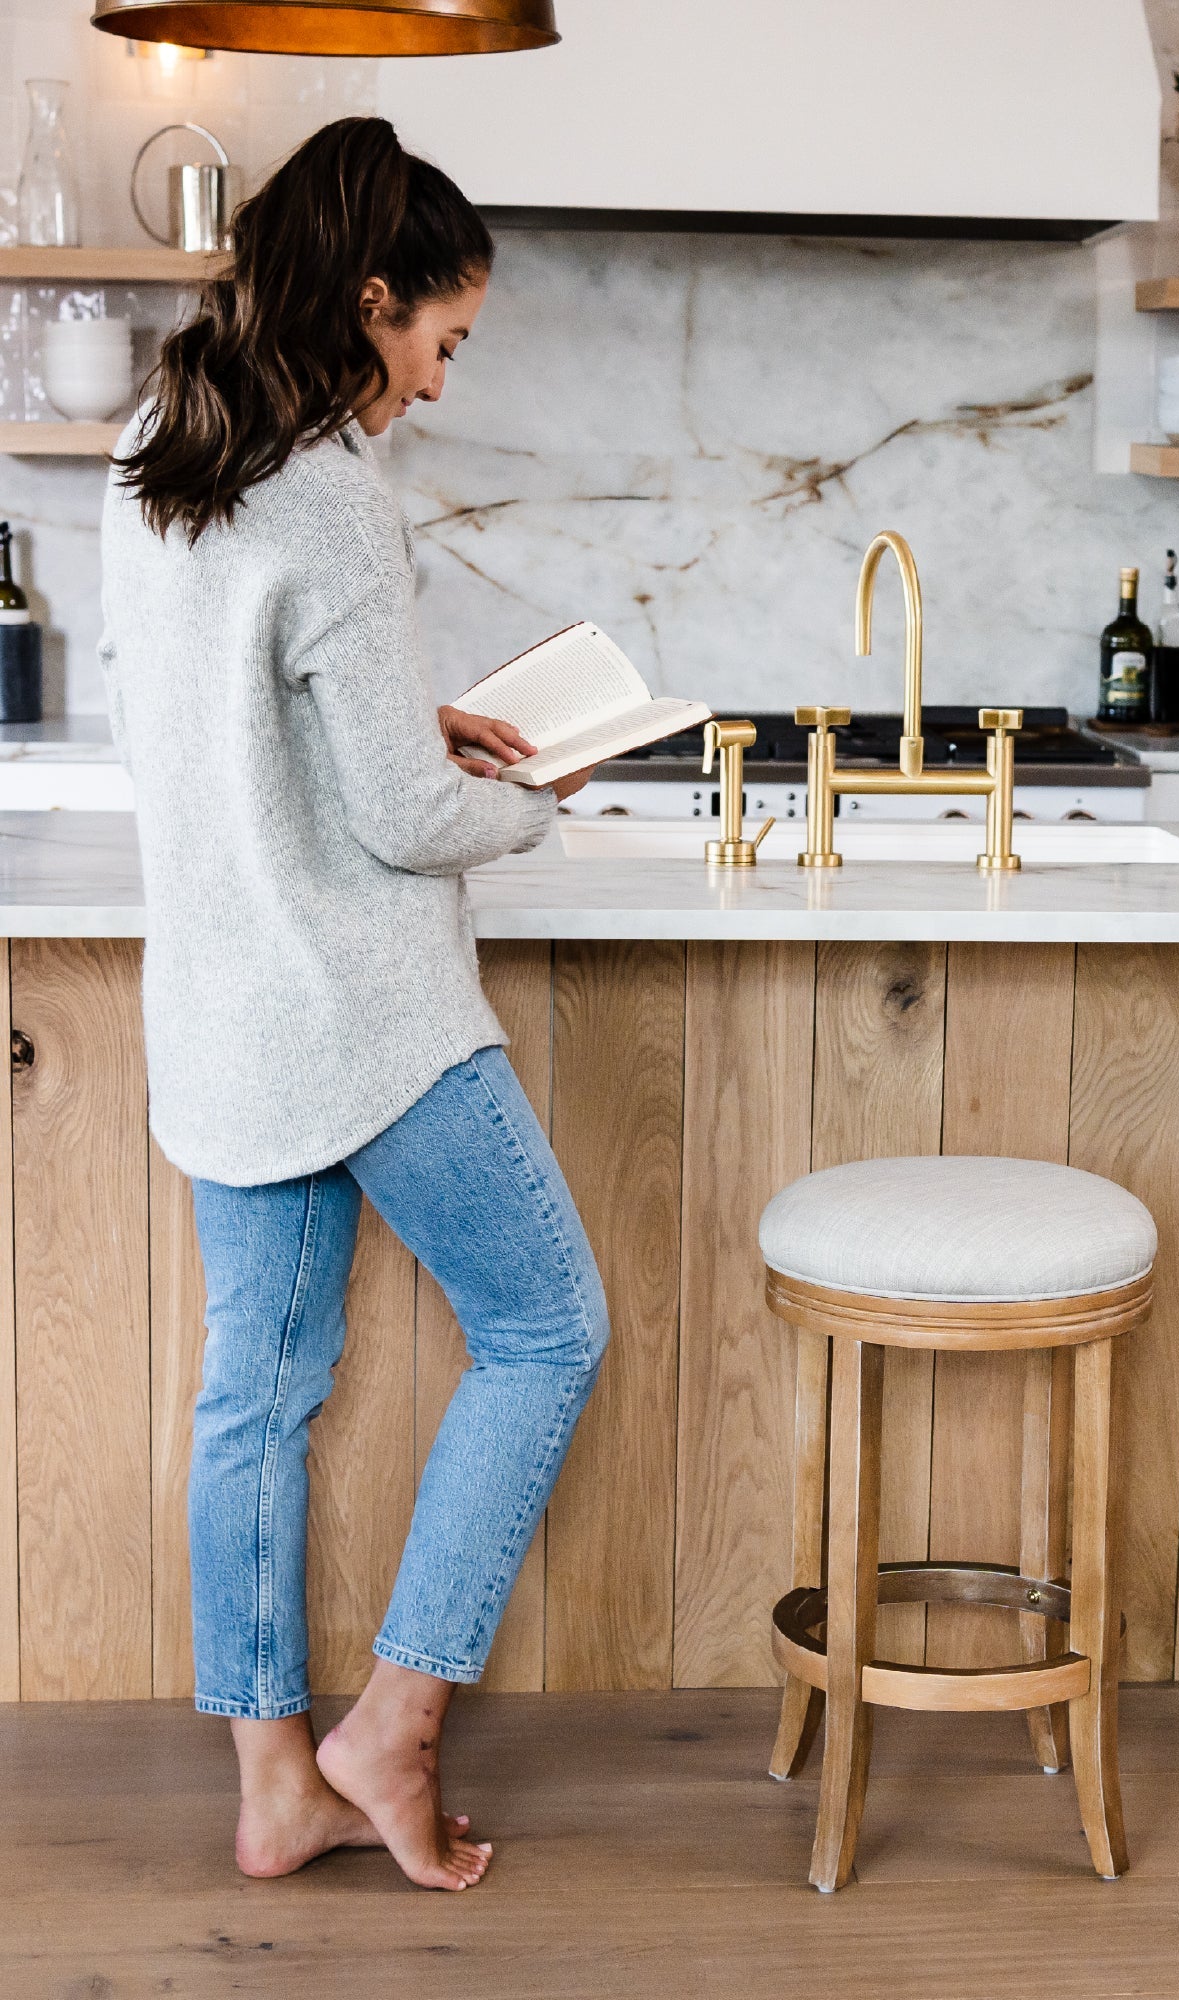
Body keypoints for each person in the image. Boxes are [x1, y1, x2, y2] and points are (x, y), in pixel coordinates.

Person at [100, 117, 608, 1892]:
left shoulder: (151, 450)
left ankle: (273, 1781)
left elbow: (242, 730)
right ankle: (388, 1727)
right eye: (442, 343)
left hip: (226, 1011)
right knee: (547, 1329)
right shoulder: (326, 486)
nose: (441, 384)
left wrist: (414, 718)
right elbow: (400, 820)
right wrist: (551, 794)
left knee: (258, 1391)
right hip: (366, 1017)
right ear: (372, 300)